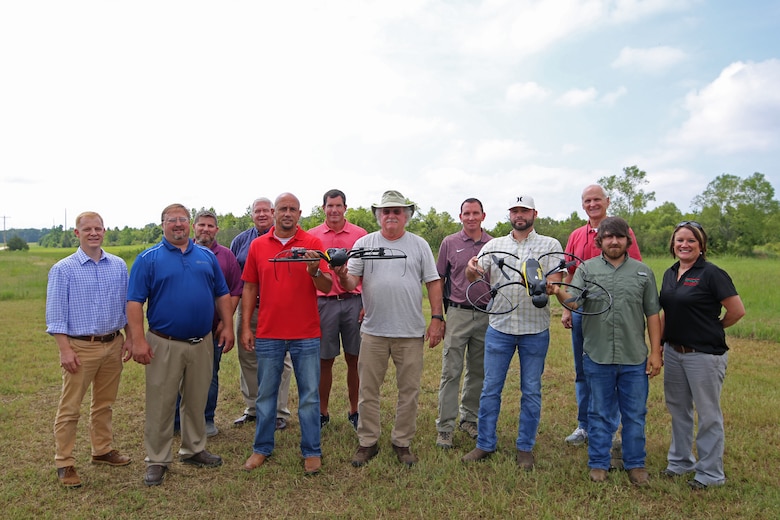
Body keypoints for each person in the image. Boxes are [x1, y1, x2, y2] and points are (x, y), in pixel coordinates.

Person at [128, 203, 235, 487]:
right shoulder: (148, 259)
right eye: (171, 220)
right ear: (162, 224)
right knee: (161, 403)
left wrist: (228, 325)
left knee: (196, 399)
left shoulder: (205, 257)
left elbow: (222, 294)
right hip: (164, 343)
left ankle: (194, 449)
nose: (178, 224)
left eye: (182, 219)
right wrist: (138, 340)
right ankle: (158, 459)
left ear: (189, 224)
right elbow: (134, 302)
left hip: (202, 341)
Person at [336, 189, 444, 467]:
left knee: (409, 391)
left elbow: (433, 282)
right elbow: (352, 283)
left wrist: (436, 318)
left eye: (397, 211)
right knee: (368, 390)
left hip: (409, 333)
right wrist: (341, 274)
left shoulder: (419, 245)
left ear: (406, 216)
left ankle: (402, 442)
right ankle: (367, 441)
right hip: (373, 331)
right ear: (378, 216)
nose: (391, 215)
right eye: (386, 211)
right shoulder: (364, 243)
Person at [552, 217, 662, 486]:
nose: (614, 241)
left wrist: (656, 352)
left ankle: (635, 464)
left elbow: (652, 314)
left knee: (635, 413)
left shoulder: (643, 272)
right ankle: (599, 463)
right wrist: (557, 292)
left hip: (634, 356)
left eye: (620, 237)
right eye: (609, 237)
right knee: (598, 412)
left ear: (628, 240)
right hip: (597, 355)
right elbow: (575, 303)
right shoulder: (587, 270)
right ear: (599, 241)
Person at [461, 195, 563, 471]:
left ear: (534, 213)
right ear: (509, 214)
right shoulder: (495, 245)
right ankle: (485, 443)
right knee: (490, 388)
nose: (520, 214)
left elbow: (556, 280)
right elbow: (476, 274)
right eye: (515, 210)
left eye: (524, 210)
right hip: (500, 328)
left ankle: (525, 447)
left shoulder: (550, 245)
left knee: (531, 390)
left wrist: (542, 284)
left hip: (535, 328)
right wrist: (471, 269)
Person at [241, 193, 332, 475]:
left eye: (293, 209)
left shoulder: (313, 244)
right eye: (283, 208)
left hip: (305, 333)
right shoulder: (258, 246)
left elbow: (327, 286)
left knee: (309, 396)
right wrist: (245, 325)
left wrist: (314, 270)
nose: (288, 213)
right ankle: (262, 448)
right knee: (265, 395)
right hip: (269, 332)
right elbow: (249, 288)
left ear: (300, 213)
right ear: (274, 212)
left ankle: (312, 451)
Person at [46, 211, 133, 488]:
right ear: (77, 233)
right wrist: (65, 350)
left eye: (98, 228)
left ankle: (102, 450)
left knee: (105, 403)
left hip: (113, 343)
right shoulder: (63, 269)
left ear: (105, 231)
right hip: (80, 347)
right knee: (70, 407)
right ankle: (65, 462)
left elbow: (126, 307)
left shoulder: (118, 265)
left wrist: (130, 338)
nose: (93, 233)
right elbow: (56, 315)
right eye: (87, 229)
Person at [659, 221, 745, 490]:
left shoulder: (712, 273)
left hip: (704, 355)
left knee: (708, 415)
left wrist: (715, 327)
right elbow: (666, 312)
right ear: (673, 245)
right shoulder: (670, 273)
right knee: (678, 410)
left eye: (691, 241)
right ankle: (680, 462)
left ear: (701, 245)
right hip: (674, 352)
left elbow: (737, 310)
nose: (684, 245)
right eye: (680, 240)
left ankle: (710, 474)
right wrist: (659, 346)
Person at [561, 184, 641, 448]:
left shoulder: (622, 232)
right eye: (587, 200)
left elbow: (635, 269)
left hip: (615, 315)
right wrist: (566, 308)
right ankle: (584, 425)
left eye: (597, 199)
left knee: (615, 371)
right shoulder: (575, 235)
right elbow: (569, 274)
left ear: (607, 201)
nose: (592, 204)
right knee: (584, 370)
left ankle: (610, 427)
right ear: (582, 205)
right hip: (584, 313)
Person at [174, 210, 243, 437]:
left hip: (212, 330)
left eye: (210, 226)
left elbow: (235, 291)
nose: (206, 229)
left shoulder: (226, 256)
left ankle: (206, 418)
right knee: (176, 376)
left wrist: (225, 323)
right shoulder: (178, 252)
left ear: (217, 230)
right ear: (194, 227)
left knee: (209, 375)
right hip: (178, 330)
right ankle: (176, 420)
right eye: (201, 225)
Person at [230, 197, 293, 431]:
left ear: (274, 213)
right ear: (252, 215)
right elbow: (237, 279)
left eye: (266, 210)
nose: (262, 214)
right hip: (250, 308)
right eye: (258, 211)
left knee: (281, 361)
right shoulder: (240, 242)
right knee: (248, 358)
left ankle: (278, 411)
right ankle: (254, 408)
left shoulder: (283, 240)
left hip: (277, 309)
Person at [434, 198, 492, 449]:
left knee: (478, 371)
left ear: (483, 216)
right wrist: (439, 316)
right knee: (451, 372)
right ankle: (445, 427)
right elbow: (439, 278)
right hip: (457, 312)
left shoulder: (494, 244)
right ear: (460, 217)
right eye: (466, 213)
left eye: (475, 213)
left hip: (486, 314)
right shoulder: (450, 243)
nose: (471, 217)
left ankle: (469, 419)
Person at [308, 189, 367, 430]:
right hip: (325, 303)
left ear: (345, 208)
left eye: (338, 205)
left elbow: (368, 272)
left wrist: (367, 304)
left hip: (353, 300)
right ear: (323, 208)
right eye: (330, 205)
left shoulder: (360, 235)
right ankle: (322, 412)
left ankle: (355, 410)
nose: (334, 210)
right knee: (325, 360)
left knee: (355, 359)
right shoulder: (312, 237)